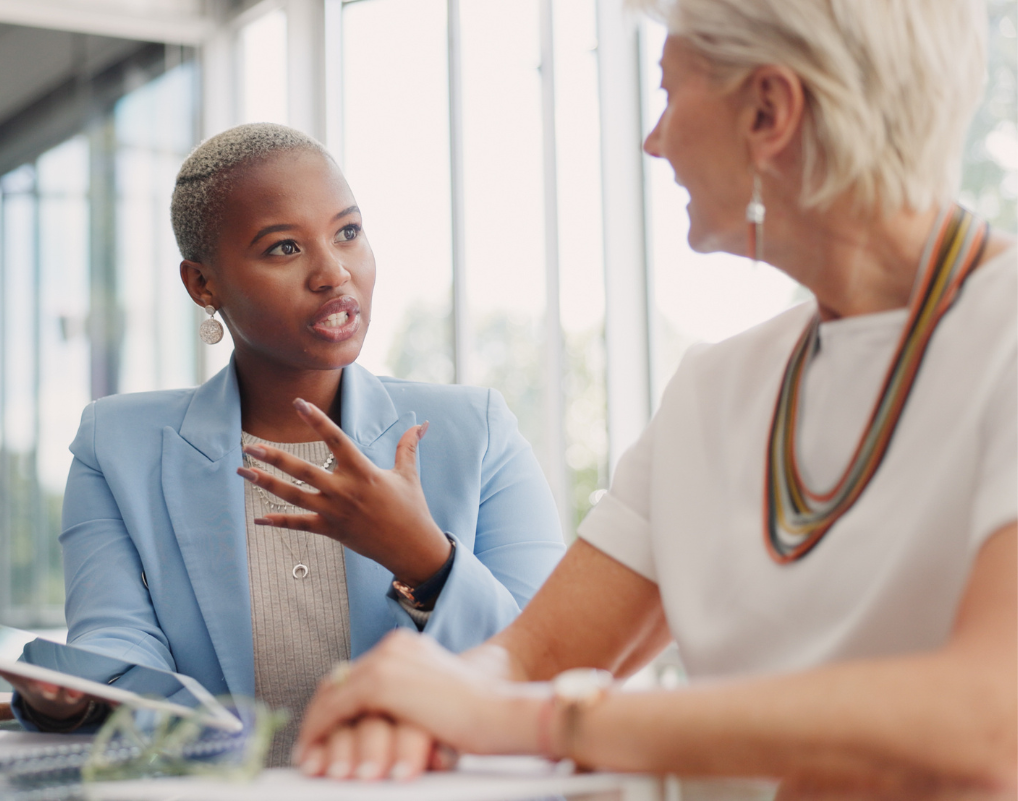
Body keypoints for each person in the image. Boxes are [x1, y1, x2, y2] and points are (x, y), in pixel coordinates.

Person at [286, 0, 1017, 791]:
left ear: (769, 111)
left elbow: (989, 717)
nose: (653, 140)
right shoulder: (716, 386)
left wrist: (542, 720)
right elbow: (536, 656)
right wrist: (418, 704)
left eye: (668, 95)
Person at [0, 123, 565, 766]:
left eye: (348, 232)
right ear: (202, 285)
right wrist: (68, 697)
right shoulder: (116, 448)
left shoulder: (475, 431)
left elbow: (554, 666)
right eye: (284, 247)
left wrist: (428, 562)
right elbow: (119, 648)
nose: (332, 272)